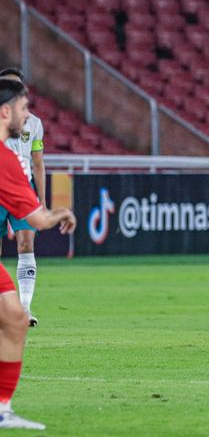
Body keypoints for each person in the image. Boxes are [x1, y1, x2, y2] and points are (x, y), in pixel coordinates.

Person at [0, 79, 76, 429]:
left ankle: (2, 410)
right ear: (6, 111)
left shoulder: (10, 162)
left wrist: (58, 213)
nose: (28, 115)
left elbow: (36, 219)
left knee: (15, 319)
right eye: (23, 108)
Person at [0, 68, 45, 327]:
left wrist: (42, 199)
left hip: (22, 188)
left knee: (26, 244)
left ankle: (25, 309)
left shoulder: (34, 124)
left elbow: (38, 163)